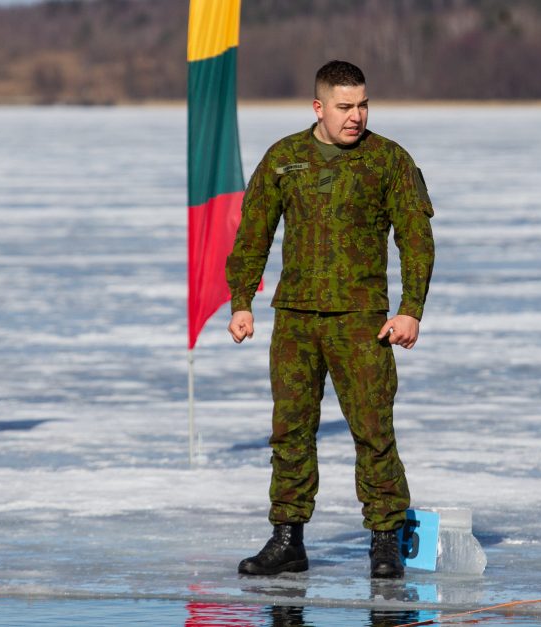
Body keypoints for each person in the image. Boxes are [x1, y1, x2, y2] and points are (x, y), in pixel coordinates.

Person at [226, 60, 435, 579]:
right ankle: (287, 539)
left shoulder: (389, 161)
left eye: (363, 105)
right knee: (290, 432)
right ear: (318, 107)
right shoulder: (285, 158)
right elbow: (254, 232)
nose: (356, 116)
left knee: (373, 429)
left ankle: (386, 539)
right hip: (295, 319)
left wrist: (410, 308)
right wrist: (241, 300)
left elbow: (416, 239)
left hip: (362, 320)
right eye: (345, 106)